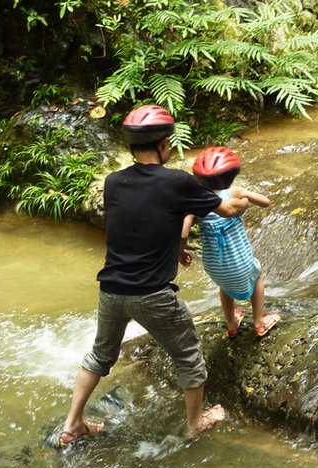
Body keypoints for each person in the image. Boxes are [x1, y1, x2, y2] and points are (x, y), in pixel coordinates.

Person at [59, 106, 249, 446]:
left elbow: (145, 221)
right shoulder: (176, 181)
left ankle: (73, 424)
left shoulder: (114, 182)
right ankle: (195, 422)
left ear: (131, 144)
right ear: (165, 143)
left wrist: (176, 251)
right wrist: (243, 198)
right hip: (153, 294)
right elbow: (228, 209)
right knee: (190, 354)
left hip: (112, 289)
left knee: (100, 356)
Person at [182, 146, 280, 339]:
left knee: (225, 287)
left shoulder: (197, 202)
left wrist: (181, 251)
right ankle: (259, 321)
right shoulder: (233, 192)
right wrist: (246, 195)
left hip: (214, 266)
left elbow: (184, 230)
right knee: (257, 275)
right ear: (231, 177)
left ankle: (231, 323)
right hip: (240, 261)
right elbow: (266, 202)